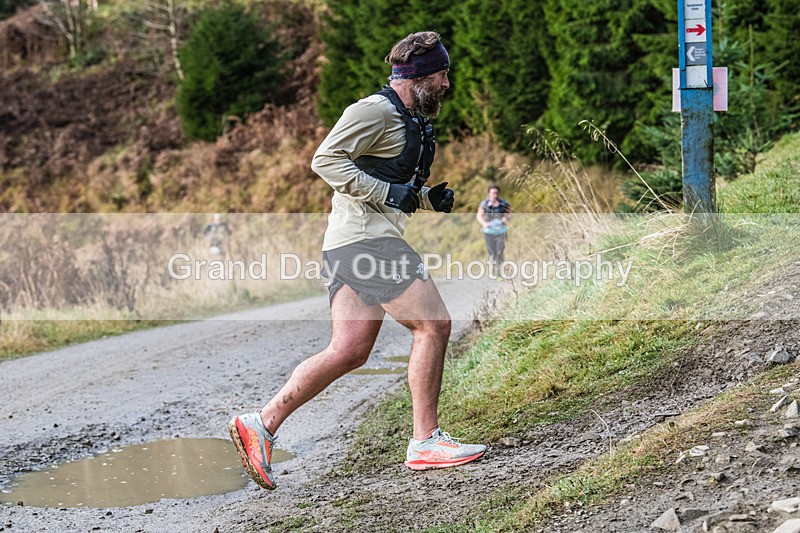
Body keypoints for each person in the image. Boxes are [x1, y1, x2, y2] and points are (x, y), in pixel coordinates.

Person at [227, 31, 485, 491]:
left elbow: (384, 180)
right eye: (443, 75)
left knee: (348, 350)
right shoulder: (375, 110)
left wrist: (425, 198)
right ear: (420, 76)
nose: (448, 84)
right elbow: (325, 160)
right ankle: (426, 441)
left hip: (350, 243)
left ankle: (260, 424)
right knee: (434, 325)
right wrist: (392, 193)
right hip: (368, 243)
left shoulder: (407, 119)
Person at [477, 184, 511, 274]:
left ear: (498, 193)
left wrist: (505, 219)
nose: (494, 195)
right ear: (489, 193)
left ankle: (500, 271)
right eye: (492, 193)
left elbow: (509, 214)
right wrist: (484, 223)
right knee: (492, 252)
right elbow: (479, 215)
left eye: (496, 193)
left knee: (500, 251)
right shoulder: (484, 204)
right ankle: (492, 269)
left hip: (501, 230)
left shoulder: (504, 203)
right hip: (489, 231)